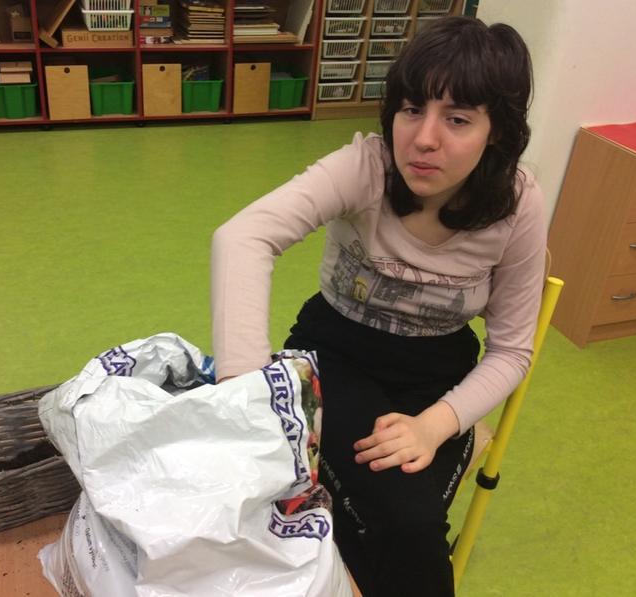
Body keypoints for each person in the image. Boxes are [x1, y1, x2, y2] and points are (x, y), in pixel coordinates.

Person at [211, 16, 545, 597]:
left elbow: (513, 350)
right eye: (412, 109)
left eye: (458, 119)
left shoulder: (518, 204)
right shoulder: (366, 166)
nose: (423, 138)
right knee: (391, 525)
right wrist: (246, 391)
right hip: (336, 353)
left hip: (437, 377)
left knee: (399, 526)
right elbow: (243, 237)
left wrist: (435, 425)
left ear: (497, 132)